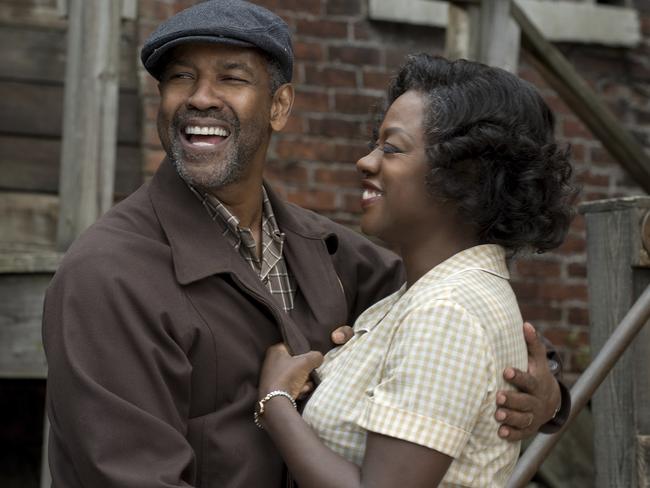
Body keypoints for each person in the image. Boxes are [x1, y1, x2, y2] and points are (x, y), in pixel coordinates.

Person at [42, 2, 568, 487]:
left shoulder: (332, 252)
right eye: (181, 77)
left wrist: (548, 392)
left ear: (279, 106)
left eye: (231, 77)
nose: (200, 97)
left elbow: (455, 319)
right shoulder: (108, 275)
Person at [255, 54, 578, 487]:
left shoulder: (446, 311)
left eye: (391, 147)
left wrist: (275, 404)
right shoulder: (418, 297)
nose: (365, 162)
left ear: (463, 176)